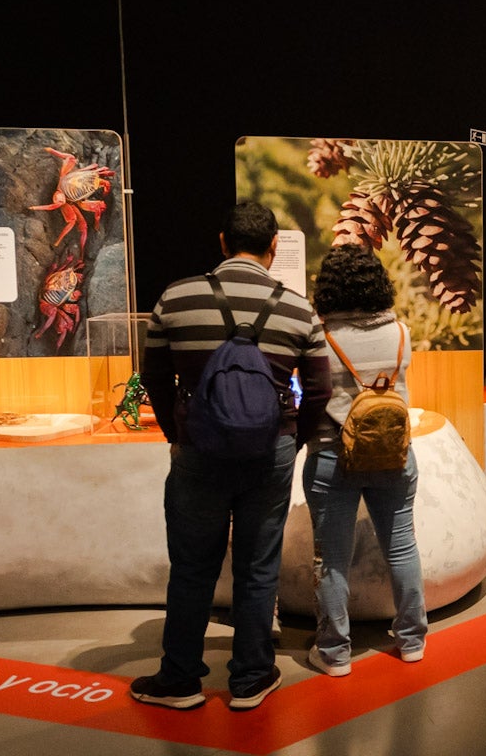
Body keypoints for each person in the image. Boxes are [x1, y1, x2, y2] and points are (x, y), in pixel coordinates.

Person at [132, 201, 333, 711]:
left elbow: (152, 376)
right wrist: (294, 435)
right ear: (272, 249)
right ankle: (250, 677)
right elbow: (320, 388)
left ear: (222, 242)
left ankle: (179, 679)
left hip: (198, 450)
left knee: (192, 566)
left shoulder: (175, 298)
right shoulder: (297, 308)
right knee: (258, 564)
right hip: (270, 452)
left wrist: (175, 431)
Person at [303, 245, 427, 677]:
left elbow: (312, 395)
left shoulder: (320, 337)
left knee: (332, 558)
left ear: (329, 288)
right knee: (402, 544)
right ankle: (412, 640)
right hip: (394, 455)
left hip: (331, 456)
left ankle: (335, 653)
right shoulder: (402, 332)